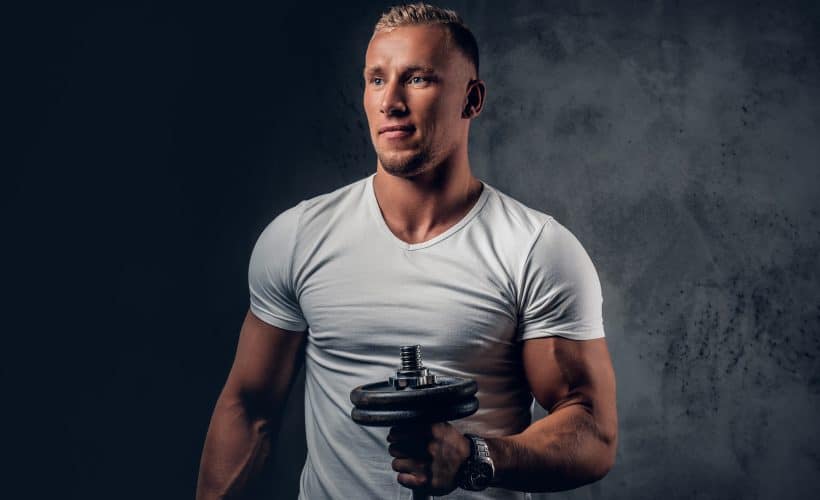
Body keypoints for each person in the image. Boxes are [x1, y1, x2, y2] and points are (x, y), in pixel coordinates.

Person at [196, 3, 617, 499]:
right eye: (376, 80)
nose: (390, 101)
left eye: (417, 79)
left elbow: (591, 430)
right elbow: (249, 410)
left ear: (472, 98)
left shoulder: (535, 250)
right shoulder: (297, 237)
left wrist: (475, 457)